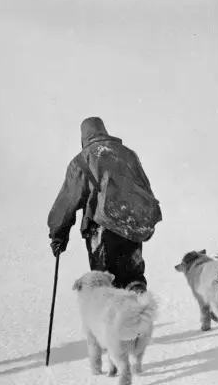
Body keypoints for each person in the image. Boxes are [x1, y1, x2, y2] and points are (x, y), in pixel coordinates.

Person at [47, 117, 156, 293]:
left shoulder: (82, 160)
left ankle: (114, 318)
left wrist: (58, 235)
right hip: (131, 226)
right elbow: (144, 187)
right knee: (133, 278)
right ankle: (138, 313)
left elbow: (67, 201)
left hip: (102, 228)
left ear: (83, 138)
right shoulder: (128, 154)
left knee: (106, 282)